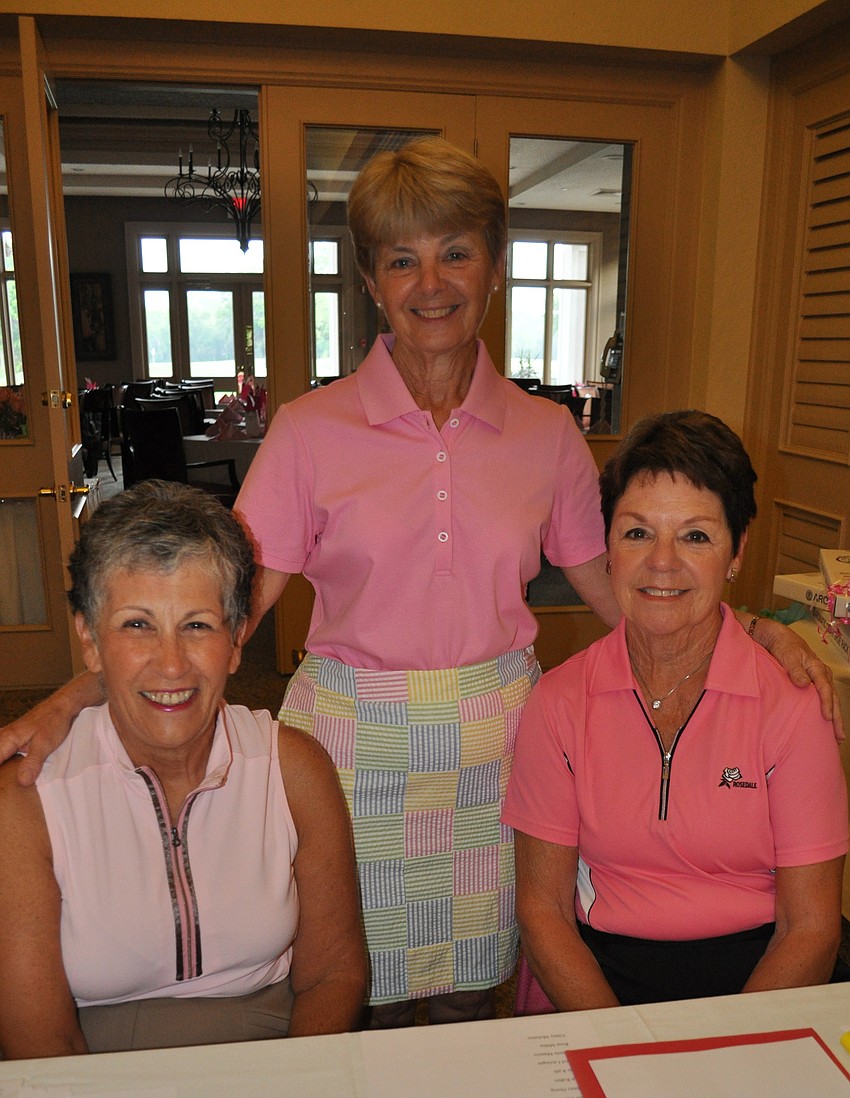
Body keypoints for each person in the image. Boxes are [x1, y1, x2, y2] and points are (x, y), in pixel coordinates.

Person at [0, 142, 839, 1028]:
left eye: (456, 252)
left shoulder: (545, 433)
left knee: (481, 997)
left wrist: (758, 630)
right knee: (346, 984)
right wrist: (70, 701)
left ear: (494, 265)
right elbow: (211, 611)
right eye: (402, 258)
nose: (430, 282)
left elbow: (633, 584)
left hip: (496, 752)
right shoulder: (309, 431)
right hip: (353, 753)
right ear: (369, 279)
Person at [0, 481, 366, 1058]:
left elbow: (335, 976)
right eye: (136, 625)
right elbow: (38, 1041)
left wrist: (296, 1093)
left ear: (237, 639)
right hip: (94, 1069)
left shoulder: (294, 771)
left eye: (197, 625)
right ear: (90, 640)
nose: (171, 664)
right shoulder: (27, 801)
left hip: (277, 1057)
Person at [503, 411, 848, 1011]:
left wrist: (722, 1053)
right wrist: (617, 1044)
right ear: (606, 545)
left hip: (758, 979)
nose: (662, 561)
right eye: (637, 532)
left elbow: (810, 929)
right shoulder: (558, 702)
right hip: (598, 978)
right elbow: (544, 910)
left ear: (737, 552)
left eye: (696, 535)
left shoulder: (792, 706)